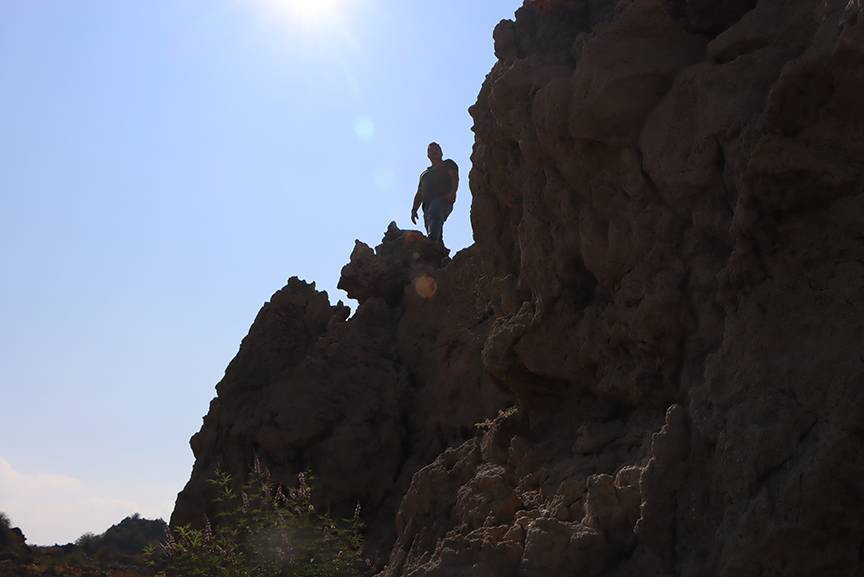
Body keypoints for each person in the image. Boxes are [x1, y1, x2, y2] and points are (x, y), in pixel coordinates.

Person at [411, 142, 459, 247]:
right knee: (434, 232)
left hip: (443, 200)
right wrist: (414, 209)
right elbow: (419, 193)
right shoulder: (424, 174)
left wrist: (453, 193)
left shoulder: (448, 164)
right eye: (432, 151)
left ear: (441, 152)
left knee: (435, 212)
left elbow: (454, 178)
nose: (435, 152)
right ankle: (440, 256)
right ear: (428, 155)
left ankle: (431, 242)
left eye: (437, 149)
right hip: (427, 207)